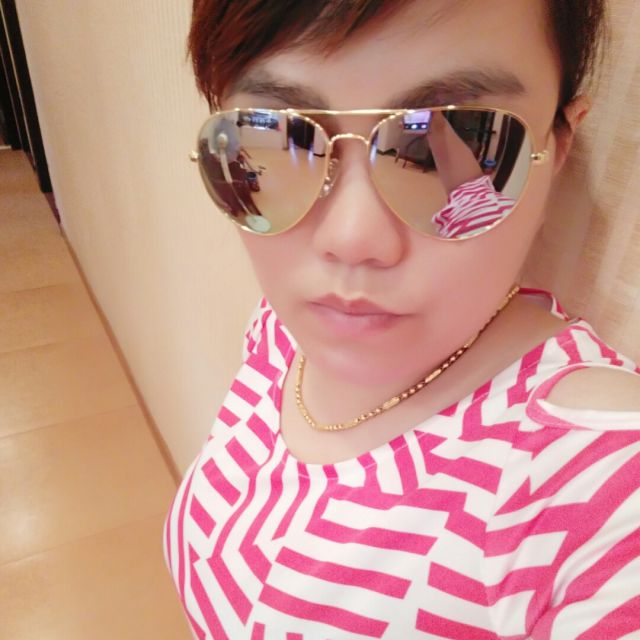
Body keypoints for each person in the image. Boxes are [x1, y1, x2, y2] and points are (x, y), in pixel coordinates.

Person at [165, 1, 640, 638]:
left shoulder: (601, 486)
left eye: (456, 143)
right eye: (273, 135)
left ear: (559, 146)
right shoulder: (282, 331)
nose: (350, 238)